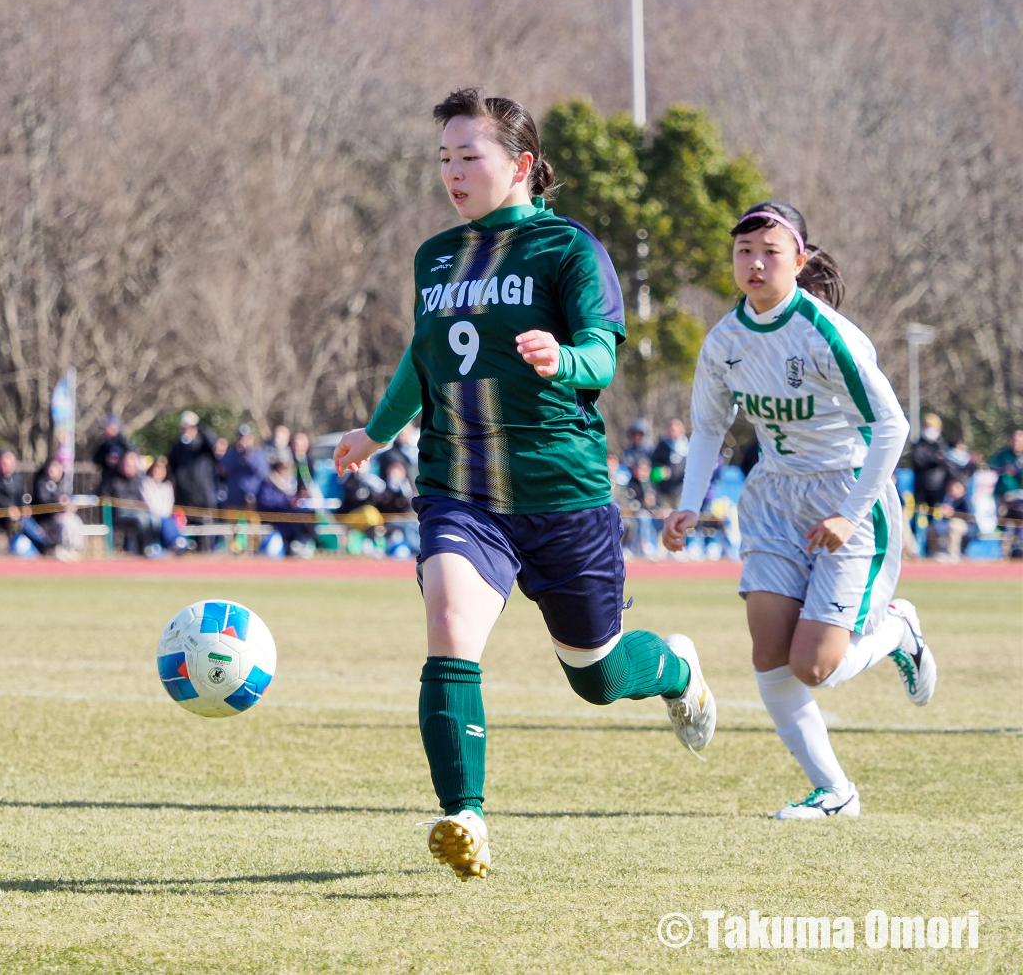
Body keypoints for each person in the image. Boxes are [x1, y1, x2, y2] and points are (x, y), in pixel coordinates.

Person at [332, 88, 716, 881]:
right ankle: (463, 815)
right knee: (447, 617)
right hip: (460, 489)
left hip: (563, 494)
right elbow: (424, 355)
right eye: (444, 157)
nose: (453, 172)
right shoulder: (434, 257)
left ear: (524, 165)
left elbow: (600, 359)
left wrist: (561, 359)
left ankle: (676, 668)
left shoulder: (570, 250)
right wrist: (376, 431)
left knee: (598, 676)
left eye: (470, 156)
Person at [663, 200, 936, 821]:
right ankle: (835, 792)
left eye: (770, 252)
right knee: (768, 651)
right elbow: (709, 427)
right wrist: (688, 505)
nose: (755, 264)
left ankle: (897, 630)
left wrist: (849, 512)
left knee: (815, 666)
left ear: (799, 260)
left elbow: (892, 427)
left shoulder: (826, 333)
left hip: (848, 493)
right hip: (773, 498)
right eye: (744, 252)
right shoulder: (725, 340)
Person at [0, 449, 48, 552]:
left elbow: (21, 494)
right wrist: (9, 507)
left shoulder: (17, 477)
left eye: (10, 462)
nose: (7, 465)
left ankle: (43, 544)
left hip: (16, 512)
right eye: (4, 463)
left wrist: (24, 507)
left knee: (27, 520)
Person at [166, 411, 219, 521]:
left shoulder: (203, 446)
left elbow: (214, 443)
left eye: (189, 427)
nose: (186, 431)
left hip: (204, 498)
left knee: (205, 533)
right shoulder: (177, 448)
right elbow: (171, 467)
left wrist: (199, 424)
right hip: (184, 499)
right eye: (184, 427)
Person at [31, 457, 83, 560]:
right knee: (64, 523)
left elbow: (68, 499)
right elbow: (44, 501)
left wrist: (68, 505)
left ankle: (74, 548)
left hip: (63, 514)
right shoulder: (41, 482)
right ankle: (62, 547)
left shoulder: (64, 484)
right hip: (46, 518)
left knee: (75, 521)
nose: (53, 472)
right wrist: (59, 504)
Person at [107, 450, 157, 554]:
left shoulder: (138, 480)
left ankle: (154, 547)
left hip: (137, 512)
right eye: (126, 463)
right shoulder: (112, 479)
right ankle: (143, 551)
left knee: (154, 519)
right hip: (119, 514)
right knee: (141, 519)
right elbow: (104, 498)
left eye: (132, 464)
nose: (129, 466)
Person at [140, 456, 186, 553]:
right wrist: (159, 513)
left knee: (171, 520)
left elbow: (169, 503)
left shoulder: (167, 486)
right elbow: (148, 502)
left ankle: (176, 542)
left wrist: (163, 514)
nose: (158, 472)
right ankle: (177, 541)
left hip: (165, 515)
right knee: (162, 521)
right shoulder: (145, 483)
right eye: (156, 469)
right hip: (151, 513)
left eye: (161, 470)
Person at [222, 425, 270, 509]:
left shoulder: (258, 453)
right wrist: (238, 455)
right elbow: (224, 468)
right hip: (234, 497)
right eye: (240, 438)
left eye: (246, 438)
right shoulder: (232, 453)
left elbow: (262, 472)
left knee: (252, 521)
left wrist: (247, 457)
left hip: (252, 498)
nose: (243, 441)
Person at [909, 413, 950, 510]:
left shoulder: (941, 444)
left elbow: (945, 460)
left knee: (935, 511)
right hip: (921, 484)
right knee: (918, 510)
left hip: (938, 485)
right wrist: (934, 459)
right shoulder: (918, 444)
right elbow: (918, 461)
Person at [928, 478, 975, 560]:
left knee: (954, 526)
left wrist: (953, 513)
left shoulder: (965, 499)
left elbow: (969, 516)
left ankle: (953, 553)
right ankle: (937, 552)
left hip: (965, 525)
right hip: (946, 523)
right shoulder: (947, 498)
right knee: (932, 528)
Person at [650, 417, 689, 510]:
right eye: (670, 430)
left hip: (682, 490)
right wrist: (661, 470)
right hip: (665, 489)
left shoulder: (689, 446)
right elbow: (654, 463)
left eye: (674, 430)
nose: (672, 432)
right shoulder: (663, 446)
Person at [93, 416, 135, 497]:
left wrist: (120, 461)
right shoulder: (104, 444)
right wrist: (106, 459)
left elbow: (131, 456)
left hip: (122, 481)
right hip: (107, 480)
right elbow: (96, 459)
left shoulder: (123, 443)